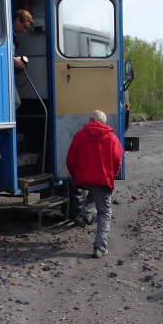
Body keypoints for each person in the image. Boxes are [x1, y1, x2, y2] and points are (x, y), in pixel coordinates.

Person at [66, 110, 124, 259]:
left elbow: (70, 159)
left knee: (94, 189)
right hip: (102, 180)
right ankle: (100, 247)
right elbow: (118, 160)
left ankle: (84, 215)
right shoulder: (111, 137)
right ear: (104, 122)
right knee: (104, 212)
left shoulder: (80, 135)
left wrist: (75, 175)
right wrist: (112, 174)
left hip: (84, 180)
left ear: (91, 120)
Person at [12, 8, 33, 108]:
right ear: (17, 20)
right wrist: (13, 60)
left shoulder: (14, 37)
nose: (24, 31)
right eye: (24, 27)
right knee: (15, 102)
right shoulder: (4, 34)